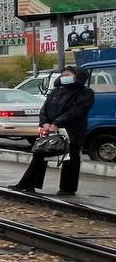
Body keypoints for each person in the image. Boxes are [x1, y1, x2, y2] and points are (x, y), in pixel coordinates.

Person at [10, 65, 94, 197]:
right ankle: (28, 184)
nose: (64, 77)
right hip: (50, 129)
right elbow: (44, 109)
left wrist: (57, 123)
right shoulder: (56, 91)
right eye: (63, 75)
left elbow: (76, 112)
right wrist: (45, 123)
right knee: (40, 154)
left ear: (78, 77)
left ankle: (67, 189)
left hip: (72, 131)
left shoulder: (86, 93)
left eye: (68, 75)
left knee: (70, 158)